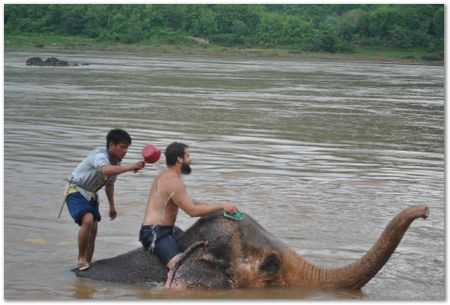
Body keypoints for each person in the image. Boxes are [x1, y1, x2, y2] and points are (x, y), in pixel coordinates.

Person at [139, 142, 239, 280]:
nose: (190, 159)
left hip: (168, 230)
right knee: (182, 269)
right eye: (188, 155)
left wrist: (217, 208)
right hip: (155, 233)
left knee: (197, 249)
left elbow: (188, 202)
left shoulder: (167, 176)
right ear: (180, 159)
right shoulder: (173, 181)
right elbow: (192, 211)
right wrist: (221, 205)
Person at [65, 129, 145, 271]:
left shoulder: (117, 163)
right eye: (122, 147)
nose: (125, 151)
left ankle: (88, 263)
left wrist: (112, 207)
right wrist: (131, 167)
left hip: (91, 193)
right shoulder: (100, 155)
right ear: (111, 145)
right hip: (76, 189)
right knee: (88, 220)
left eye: (127, 148)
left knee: (93, 230)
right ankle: (81, 258)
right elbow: (106, 170)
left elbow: (109, 184)